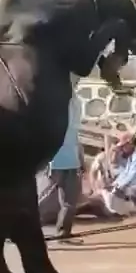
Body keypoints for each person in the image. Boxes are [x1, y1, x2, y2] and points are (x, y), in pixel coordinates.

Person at [48, 95, 84, 244]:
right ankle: (63, 233)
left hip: (60, 162)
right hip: (65, 163)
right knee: (69, 201)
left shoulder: (56, 114)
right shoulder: (69, 108)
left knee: (65, 201)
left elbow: (76, 141)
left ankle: (63, 232)